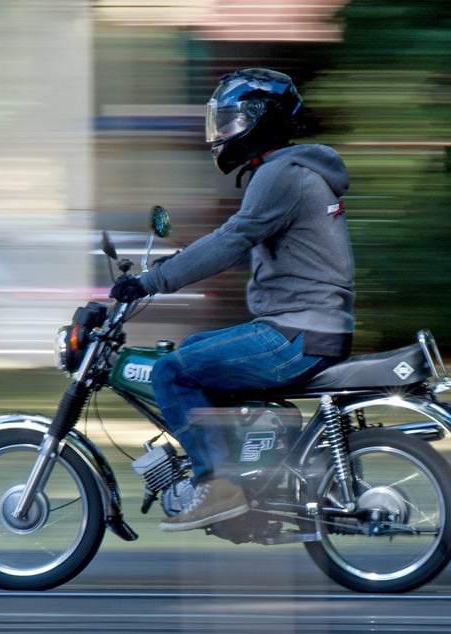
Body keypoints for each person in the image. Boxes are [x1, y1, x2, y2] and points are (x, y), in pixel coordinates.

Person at [110, 68, 355, 532]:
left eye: (231, 120)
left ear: (262, 119)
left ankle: (219, 486)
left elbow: (232, 240)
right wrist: (177, 263)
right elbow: (236, 241)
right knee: (194, 349)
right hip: (306, 326)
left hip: (298, 332)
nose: (222, 132)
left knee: (170, 371)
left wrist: (151, 281)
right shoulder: (292, 172)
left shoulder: (280, 174)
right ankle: (250, 476)